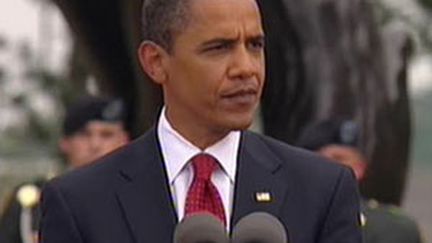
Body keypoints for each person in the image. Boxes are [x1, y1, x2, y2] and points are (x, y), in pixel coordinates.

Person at [39, 0, 363, 242]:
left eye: (255, 45)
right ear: (155, 62)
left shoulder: (322, 191)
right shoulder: (80, 202)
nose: (246, 68)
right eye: (219, 48)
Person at [0, 96, 130, 243]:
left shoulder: (139, 194)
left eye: (107, 135)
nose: (95, 145)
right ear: (65, 143)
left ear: (124, 140)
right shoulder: (30, 206)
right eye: (84, 135)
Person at [296, 118, 423, 243]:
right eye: (317, 159)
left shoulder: (394, 228)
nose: (330, 167)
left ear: (360, 167)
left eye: (339, 159)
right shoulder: (286, 217)